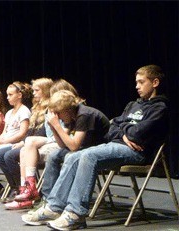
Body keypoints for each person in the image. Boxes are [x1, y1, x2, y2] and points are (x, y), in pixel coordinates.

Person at [24, 65, 168, 230]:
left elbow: (137, 134)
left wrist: (123, 129)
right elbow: (112, 126)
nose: (137, 86)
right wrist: (123, 133)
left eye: (141, 82)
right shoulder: (132, 105)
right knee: (71, 156)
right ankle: (54, 207)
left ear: (155, 82)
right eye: (137, 82)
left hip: (137, 152)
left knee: (88, 155)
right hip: (116, 145)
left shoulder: (160, 108)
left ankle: (75, 214)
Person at [4, 79, 78, 210]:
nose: (34, 93)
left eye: (36, 90)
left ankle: (32, 189)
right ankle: (26, 191)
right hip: (53, 141)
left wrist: (54, 124)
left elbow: (64, 135)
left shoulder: (68, 111)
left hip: (64, 143)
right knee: (24, 149)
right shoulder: (48, 109)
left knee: (28, 143)